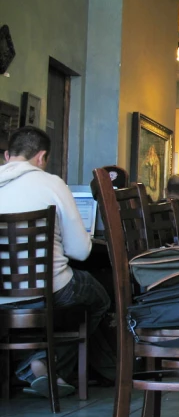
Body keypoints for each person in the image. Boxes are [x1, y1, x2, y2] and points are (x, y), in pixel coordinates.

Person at [0, 126, 111, 398]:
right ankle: (43, 365)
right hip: (49, 289)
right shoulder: (52, 183)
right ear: (41, 157)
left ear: (6, 155)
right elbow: (81, 252)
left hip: (1, 294)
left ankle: (38, 366)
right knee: (100, 299)